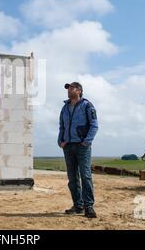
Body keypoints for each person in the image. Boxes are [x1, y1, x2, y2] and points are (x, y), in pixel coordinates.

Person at [58, 82, 99, 218]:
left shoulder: (87, 105)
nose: (69, 90)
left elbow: (94, 125)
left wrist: (86, 142)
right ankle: (78, 206)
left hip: (82, 147)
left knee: (85, 176)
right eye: (68, 88)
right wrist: (60, 141)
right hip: (68, 147)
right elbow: (62, 127)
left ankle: (89, 207)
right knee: (72, 178)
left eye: (71, 88)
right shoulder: (64, 108)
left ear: (79, 90)